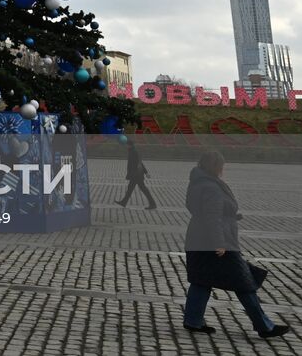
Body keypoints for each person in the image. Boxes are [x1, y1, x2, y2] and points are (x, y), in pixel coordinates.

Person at [182, 151, 288, 339]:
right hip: (215, 243)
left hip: (197, 239)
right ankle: (264, 326)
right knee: (244, 282)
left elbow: (200, 210)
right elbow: (212, 217)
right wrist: (219, 243)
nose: (223, 169)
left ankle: (193, 321)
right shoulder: (212, 187)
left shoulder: (197, 182)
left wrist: (229, 217)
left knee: (201, 281)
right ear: (215, 167)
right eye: (221, 166)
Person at [116, 140, 156, 210]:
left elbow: (140, 163)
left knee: (141, 189)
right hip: (135, 174)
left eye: (126, 145)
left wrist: (146, 172)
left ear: (129, 145)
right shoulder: (132, 151)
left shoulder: (134, 152)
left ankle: (153, 204)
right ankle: (124, 202)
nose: (126, 146)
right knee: (131, 188)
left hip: (136, 174)